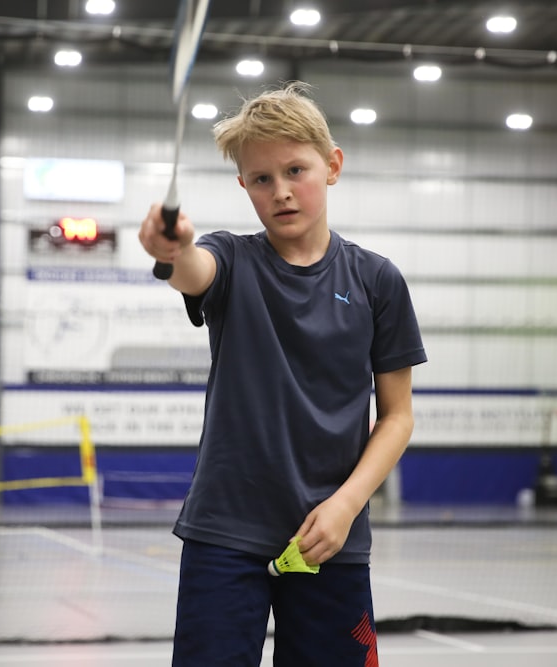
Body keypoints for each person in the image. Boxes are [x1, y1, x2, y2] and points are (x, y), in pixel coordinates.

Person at [138, 81, 427, 666]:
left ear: (333, 165)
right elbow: (194, 270)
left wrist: (346, 506)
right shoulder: (232, 260)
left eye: (297, 170)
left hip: (330, 539)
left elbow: (397, 417)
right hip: (224, 535)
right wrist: (170, 251)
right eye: (262, 179)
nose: (282, 192)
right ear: (243, 185)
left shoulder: (377, 282)